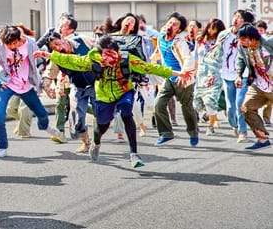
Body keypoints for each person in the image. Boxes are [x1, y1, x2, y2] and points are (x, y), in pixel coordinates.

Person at [34, 35, 190, 167]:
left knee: (127, 114)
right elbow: (74, 60)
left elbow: (150, 68)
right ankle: (96, 143)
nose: (111, 58)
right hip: (103, 96)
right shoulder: (92, 60)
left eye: (113, 53)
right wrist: (49, 56)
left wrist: (179, 74)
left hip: (124, 91)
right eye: (106, 54)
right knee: (101, 126)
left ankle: (134, 154)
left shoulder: (126, 59)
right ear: (100, 53)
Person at [0, 25, 61, 158]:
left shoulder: (30, 43)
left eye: (14, 44)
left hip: (26, 85)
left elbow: (38, 65)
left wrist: (44, 85)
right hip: (6, 84)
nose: (12, 47)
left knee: (42, 114)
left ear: (20, 39)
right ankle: (2, 147)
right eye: (8, 45)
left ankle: (45, 127)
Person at [41, 31, 96, 153]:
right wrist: (47, 85)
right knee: (76, 119)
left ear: (62, 38)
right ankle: (86, 142)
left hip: (96, 84)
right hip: (77, 86)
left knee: (101, 115)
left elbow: (99, 50)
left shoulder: (82, 41)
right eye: (53, 47)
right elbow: (50, 72)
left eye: (57, 43)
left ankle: (97, 142)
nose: (57, 47)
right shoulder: (57, 56)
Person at [151, 12, 199, 147]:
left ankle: (193, 132)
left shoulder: (179, 42)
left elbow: (188, 58)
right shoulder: (161, 36)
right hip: (168, 78)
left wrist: (184, 73)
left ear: (179, 29)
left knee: (187, 108)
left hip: (183, 80)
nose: (171, 25)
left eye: (175, 24)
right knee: (158, 105)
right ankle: (166, 133)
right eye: (170, 22)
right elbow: (157, 48)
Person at [218, 9, 254, 143]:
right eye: (235, 16)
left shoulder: (248, 36)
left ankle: (243, 132)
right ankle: (235, 125)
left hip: (243, 75)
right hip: (227, 75)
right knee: (230, 107)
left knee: (239, 104)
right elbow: (217, 53)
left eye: (239, 17)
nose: (235, 19)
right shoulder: (224, 35)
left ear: (245, 22)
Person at [235, 23, 273, 150]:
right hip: (259, 85)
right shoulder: (243, 47)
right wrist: (239, 75)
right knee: (246, 108)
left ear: (251, 37)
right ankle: (262, 139)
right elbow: (241, 59)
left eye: (242, 39)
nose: (240, 42)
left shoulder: (268, 42)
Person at [192, 18, 226, 136]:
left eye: (215, 29)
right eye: (211, 27)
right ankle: (213, 117)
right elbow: (196, 57)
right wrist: (193, 72)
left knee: (210, 101)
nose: (212, 31)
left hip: (214, 73)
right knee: (197, 102)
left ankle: (210, 126)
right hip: (201, 74)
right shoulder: (200, 40)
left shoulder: (221, 42)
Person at [255, 20, 272, 125]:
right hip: (256, 72)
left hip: (268, 71)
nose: (259, 32)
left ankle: (266, 117)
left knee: (269, 94)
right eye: (258, 30)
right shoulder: (253, 41)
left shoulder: (268, 40)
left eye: (261, 30)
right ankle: (255, 115)